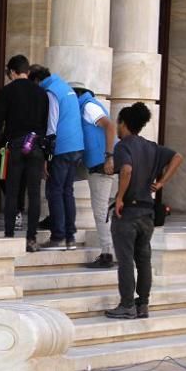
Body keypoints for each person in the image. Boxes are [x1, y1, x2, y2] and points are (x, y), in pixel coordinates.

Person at [105, 102, 183, 320]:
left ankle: (127, 304)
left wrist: (119, 198)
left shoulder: (123, 146)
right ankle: (143, 305)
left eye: (119, 123)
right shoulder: (151, 147)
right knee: (143, 260)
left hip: (128, 213)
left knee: (126, 260)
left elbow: (127, 170)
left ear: (124, 124)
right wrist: (160, 184)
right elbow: (178, 157)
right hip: (147, 213)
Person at [0, 55, 48, 252]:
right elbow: (45, 124)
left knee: (12, 191)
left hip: (15, 146)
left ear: (13, 72)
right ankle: (31, 238)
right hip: (36, 146)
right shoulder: (41, 93)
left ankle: (9, 235)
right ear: (27, 71)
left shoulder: (7, 91)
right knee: (33, 194)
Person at [32, 66, 84, 251]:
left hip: (62, 147)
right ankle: (70, 238)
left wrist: (47, 155)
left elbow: (51, 125)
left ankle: (58, 236)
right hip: (76, 146)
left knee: (54, 191)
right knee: (67, 191)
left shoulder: (51, 92)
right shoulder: (65, 87)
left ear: (37, 80)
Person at [71, 82, 117, 268]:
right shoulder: (86, 106)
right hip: (93, 163)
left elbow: (110, 126)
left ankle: (107, 254)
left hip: (101, 165)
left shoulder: (88, 107)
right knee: (61, 180)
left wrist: (109, 157)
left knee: (99, 212)